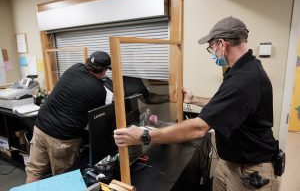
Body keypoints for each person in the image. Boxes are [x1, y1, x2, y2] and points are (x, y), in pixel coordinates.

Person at [114, 16, 279, 190]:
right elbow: (225, 105)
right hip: (230, 162)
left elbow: (199, 128)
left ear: (222, 44)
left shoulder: (244, 79)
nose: (212, 52)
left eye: (211, 47)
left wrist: (144, 136)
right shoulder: (243, 69)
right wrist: (194, 99)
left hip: (250, 169)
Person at [25, 51, 111, 183]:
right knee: (64, 180)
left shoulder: (75, 67)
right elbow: (97, 117)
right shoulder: (99, 90)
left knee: (35, 172)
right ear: (104, 71)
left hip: (40, 128)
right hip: (62, 139)